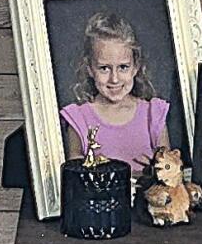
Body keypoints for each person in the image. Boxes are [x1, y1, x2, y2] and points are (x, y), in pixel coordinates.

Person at [60, 10, 172, 172]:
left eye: (123, 67)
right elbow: (76, 178)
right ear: (90, 68)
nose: (114, 79)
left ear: (135, 67)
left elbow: (169, 172)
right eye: (104, 68)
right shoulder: (78, 119)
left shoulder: (153, 114)